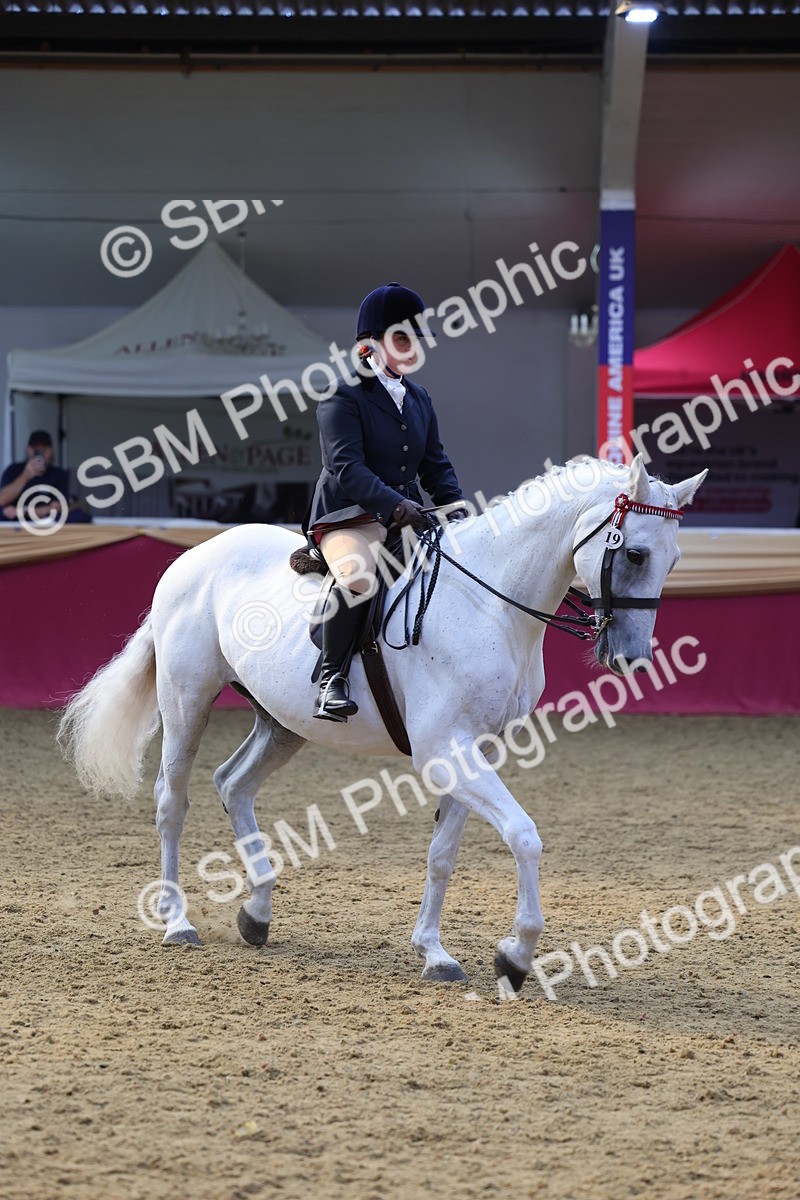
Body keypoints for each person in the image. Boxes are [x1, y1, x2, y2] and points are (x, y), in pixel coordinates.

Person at [304, 282, 467, 723]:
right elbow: (347, 467)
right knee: (359, 576)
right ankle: (331, 680)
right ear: (370, 343)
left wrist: (455, 506)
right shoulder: (341, 395)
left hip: (406, 515)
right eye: (402, 338)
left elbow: (435, 463)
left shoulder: (419, 398)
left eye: (416, 339)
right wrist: (395, 505)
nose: (413, 348)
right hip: (348, 515)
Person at [0, 430, 89, 524]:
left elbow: (58, 507)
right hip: (15, 524)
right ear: (28, 450)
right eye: (36, 450)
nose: (40, 454)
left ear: (51, 451)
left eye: (44, 449)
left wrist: (24, 512)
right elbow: (2, 500)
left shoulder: (59, 474)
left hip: (47, 524)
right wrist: (26, 475)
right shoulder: (13, 470)